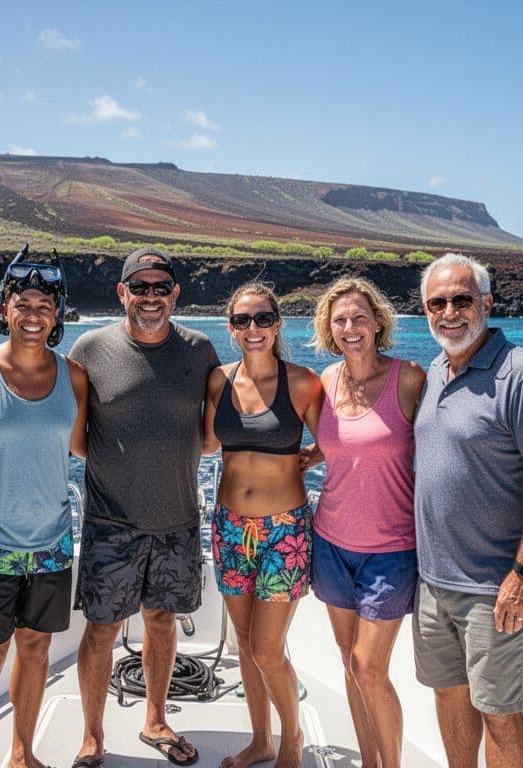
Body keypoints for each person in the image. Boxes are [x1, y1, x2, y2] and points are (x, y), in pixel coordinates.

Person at [412, 253, 523, 768]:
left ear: (486, 302)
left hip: (495, 588)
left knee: (499, 713)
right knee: (448, 695)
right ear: (425, 309)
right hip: (434, 581)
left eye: (462, 300)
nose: (450, 312)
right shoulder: (436, 369)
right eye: (438, 303)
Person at [68, 247, 220, 768]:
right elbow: (78, 437)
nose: (150, 297)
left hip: (177, 520)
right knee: (102, 628)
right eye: (140, 286)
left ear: (175, 294)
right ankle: (92, 735)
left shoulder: (200, 350)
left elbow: (212, 435)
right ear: (122, 293)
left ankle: (155, 720)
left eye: (161, 287)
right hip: (111, 522)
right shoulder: (89, 348)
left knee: (161, 621)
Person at [0, 249, 90, 768]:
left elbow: (78, 446)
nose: (33, 314)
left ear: (58, 315)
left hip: (51, 542)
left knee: (36, 652)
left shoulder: (73, 378)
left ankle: (21, 754)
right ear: (4, 309)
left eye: (44, 305)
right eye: (22, 303)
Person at [302, 276, 426, 768]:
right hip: (331, 542)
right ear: (328, 330)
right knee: (351, 666)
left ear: (378, 323)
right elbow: (331, 447)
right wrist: (292, 465)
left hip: (392, 549)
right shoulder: (323, 382)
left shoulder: (410, 378)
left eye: (359, 317)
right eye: (340, 320)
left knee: (368, 667)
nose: (350, 327)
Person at [202, 283, 323, 768]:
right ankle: (260, 741)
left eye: (262, 318)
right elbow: (209, 444)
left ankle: (290, 740)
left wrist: (306, 460)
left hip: (285, 534)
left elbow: (338, 438)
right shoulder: (218, 382)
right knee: (247, 645)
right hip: (230, 528)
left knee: (268, 649)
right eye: (241, 320)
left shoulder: (303, 382)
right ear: (231, 329)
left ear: (277, 323)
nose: (252, 329)